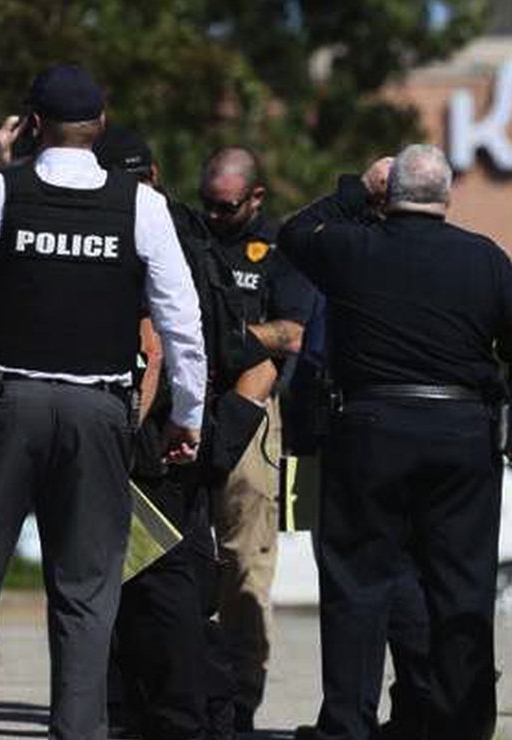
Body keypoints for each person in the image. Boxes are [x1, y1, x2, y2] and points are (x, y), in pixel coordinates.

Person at [0, 65, 206, 740]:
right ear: (100, 125)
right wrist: (188, 414)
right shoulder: (142, 206)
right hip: (97, 411)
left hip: (5, 406)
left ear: (32, 124)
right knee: (87, 594)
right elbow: (181, 321)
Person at [278, 144, 512, 740]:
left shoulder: (350, 248)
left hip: (369, 431)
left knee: (357, 585)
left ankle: (346, 725)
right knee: (462, 588)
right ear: (447, 196)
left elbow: (292, 234)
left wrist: (356, 190)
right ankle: (460, 724)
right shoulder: (485, 258)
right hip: (462, 434)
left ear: (390, 193)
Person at [94, 126, 278, 740]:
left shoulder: (166, 239)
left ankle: (189, 717)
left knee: (163, 598)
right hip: (150, 446)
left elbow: (239, 360)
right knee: (139, 599)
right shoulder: (177, 238)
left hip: (156, 454)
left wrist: (203, 446)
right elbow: (254, 363)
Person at [200, 146, 317, 730]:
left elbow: (293, 334)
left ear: (256, 198)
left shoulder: (281, 251)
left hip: (253, 412)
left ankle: (241, 696)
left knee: (246, 561)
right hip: (186, 405)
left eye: (226, 207)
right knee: (169, 555)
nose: (215, 215)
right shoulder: (190, 237)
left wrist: (226, 334)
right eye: (208, 203)